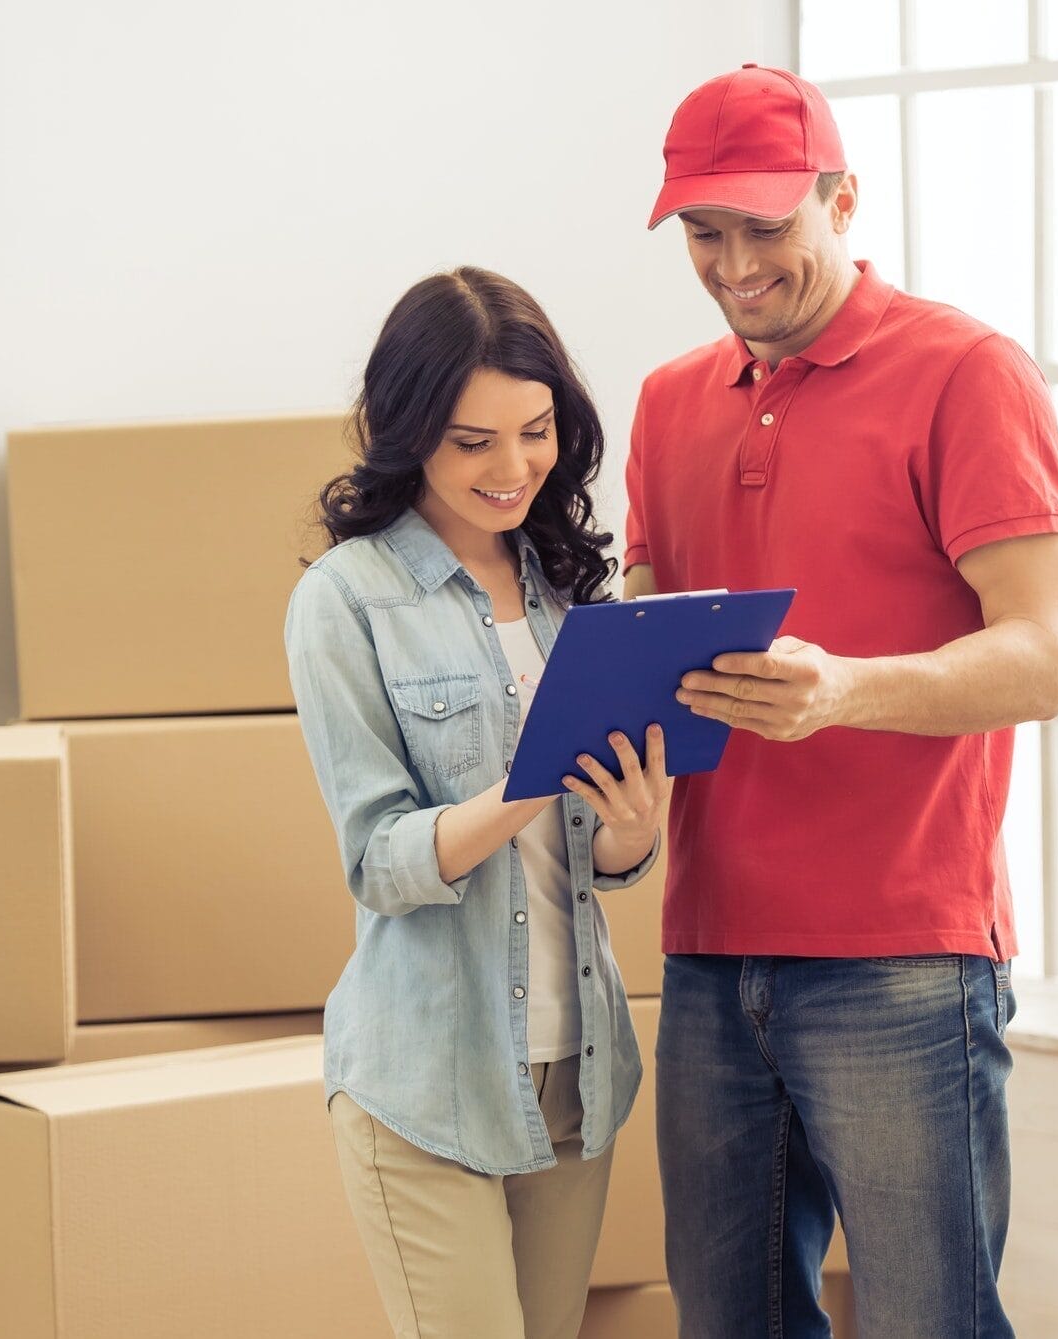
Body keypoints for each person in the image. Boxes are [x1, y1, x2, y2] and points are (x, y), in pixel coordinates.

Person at [626, 65, 1058, 1337]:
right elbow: (652, 634)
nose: (732, 266)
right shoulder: (667, 402)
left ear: (843, 198)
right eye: (703, 235)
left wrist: (844, 691)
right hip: (709, 950)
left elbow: (1041, 656)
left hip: (901, 953)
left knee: (930, 1318)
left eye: (765, 228)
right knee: (729, 1323)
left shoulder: (966, 372)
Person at [285, 266, 666, 1339]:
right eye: (472, 443)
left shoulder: (568, 591)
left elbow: (587, 852)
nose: (513, 470)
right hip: (426, 1081)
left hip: (575, 1071)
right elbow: (380, 859)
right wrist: (522, 787)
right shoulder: (347, 600)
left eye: (535, 432)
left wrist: (627, 841)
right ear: (409, 432)